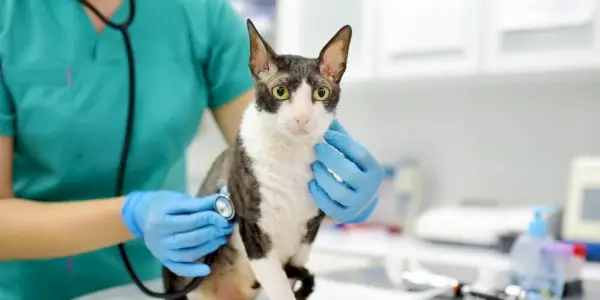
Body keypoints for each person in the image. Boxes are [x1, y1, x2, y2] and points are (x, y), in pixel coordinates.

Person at [0, 0, 384, 299]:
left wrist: (340, 181)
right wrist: (131, 215)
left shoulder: (200, 13)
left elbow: (271, 143)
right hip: (32, 288)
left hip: (173, 278)